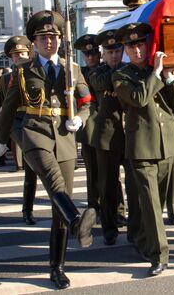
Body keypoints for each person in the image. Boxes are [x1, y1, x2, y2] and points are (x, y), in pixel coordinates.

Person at [0, 10, 96, 290]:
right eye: (43, 37)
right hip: (34, 134)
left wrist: (81, 118)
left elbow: (87, 102)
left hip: (64, 139)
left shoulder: (71, 69)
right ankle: (77, 221)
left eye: (54, 37)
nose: (49, 42)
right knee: (53, 182)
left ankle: (57, 267)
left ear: (61, 40)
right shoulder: (23, 71)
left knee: (57, 205)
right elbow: (8, 107)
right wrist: (1, 140)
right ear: (34, 41)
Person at [112, 22, 174, 276]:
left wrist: (168, 78)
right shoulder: (121, 75)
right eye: (131, 46)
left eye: (140, 44)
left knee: (156, 204)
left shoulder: (162, 71)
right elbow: (139, 99)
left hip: (169, 147)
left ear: (148, 44)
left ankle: (141, 237)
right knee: (153, 206)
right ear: (125, 50)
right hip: (142, 149)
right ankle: (159, 255)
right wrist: (155, 74)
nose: (137, 50)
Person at [89, 29, 140, 246]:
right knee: (107, 185)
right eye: (109, 52)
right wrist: (119, 72)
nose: (114, 56)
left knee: (134, 186)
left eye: (118, 51)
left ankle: (134, 229)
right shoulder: (96, 72)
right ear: (103, 53)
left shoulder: (130, 70)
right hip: (106, 136)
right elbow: (101, 84)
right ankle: (110, 228)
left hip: (129, 135)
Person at [0, 35, 38, 225]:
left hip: (38, 124)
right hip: (18, 124)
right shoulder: (6, 79)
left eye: (22, 53)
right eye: (15, 55)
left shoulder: (38, 72)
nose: (19, 57)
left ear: (29, 54)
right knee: (31, 168)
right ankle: (27, 210)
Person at [73, 34, 102, 217]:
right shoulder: (79, 74)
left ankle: (115, 208)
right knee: (92, 172)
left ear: (99, 54)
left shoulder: (107, 71)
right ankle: (94, 206)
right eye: (87, 54)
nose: (90, 57)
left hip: (107, 128)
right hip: (88, 130)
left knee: (110, 174)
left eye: (93, 54)